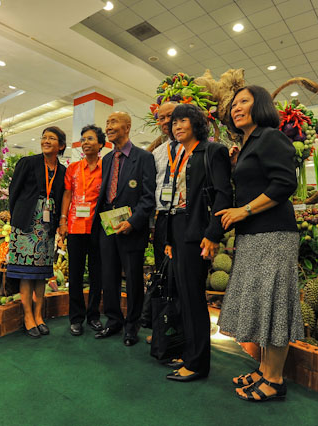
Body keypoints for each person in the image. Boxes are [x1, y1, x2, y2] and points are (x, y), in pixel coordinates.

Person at [216, 85, 303, 401]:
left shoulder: (270, 137)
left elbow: (285, 183)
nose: (236, 108)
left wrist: (244, 210)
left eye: (244, 101)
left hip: (274, 234)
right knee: (265, 303)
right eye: (234, 104)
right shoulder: (249, 143)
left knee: (275, 304)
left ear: (261, 106)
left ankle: (275, 380)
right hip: (255, 235)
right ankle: (265, 370)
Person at [162, 104, 233, 382]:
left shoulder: (213, 151)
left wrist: (213, 234)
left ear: (196, 124)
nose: (177, 126)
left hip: (197, 231)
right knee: (184, 296)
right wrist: (169, 239)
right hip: (178, 229)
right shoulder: (180, 153)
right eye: (174, 123)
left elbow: (223, 194)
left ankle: (197, 364)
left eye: (183, 121)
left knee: (193, 298)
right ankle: (190, 354)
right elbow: (173, 198)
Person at [93, 112, 156, 346]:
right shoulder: (107, 159)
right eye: (107, 123)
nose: (108, 127)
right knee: (108, 277)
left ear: (127, 127)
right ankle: (113, 321)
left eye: (113, 122)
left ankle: (132, 326)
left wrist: (133, 221)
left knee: (133, 280)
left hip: (132, 229)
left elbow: (148, 197)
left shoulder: (144, 158)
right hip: (108, 226)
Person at [8, 126, 67, 338]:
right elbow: (14, 192)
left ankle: (39, 315)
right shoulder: (28, 163)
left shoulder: (62, 171)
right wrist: (18, 217)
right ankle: (28, 317)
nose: (46, 141)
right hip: (25, 224)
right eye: (44, 137)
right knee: (25, 273)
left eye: (52, 138)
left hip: (47, 227)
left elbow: (61, 197)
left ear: (61, 145)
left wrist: (59, 222)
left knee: (41, 274)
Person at [58, 125, 105, 336]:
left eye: (90, 139)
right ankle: (76, 318)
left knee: (97, 274)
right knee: (75, 274)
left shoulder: (106, 168)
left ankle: (94, 315)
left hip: (98, 227)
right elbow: (67, 195)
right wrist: (62, 220)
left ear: (101, 144)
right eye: (83, 139)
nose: (85, 143)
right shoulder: (73, 168)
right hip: (75, 226)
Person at [151, 101, 178, 270]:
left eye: (170, 116)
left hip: (184, 216)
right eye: (162, 118)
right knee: (161, 268)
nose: (166, 121)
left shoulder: (193, 147)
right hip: (162, 217)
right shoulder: (157, 153)